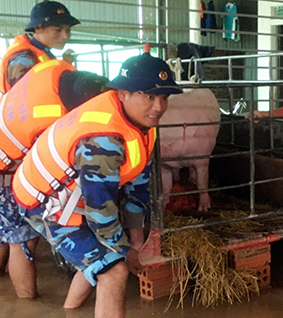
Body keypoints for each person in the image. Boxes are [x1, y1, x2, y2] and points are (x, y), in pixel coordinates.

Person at [12, 52, 181, 318]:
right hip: (45, 202)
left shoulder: (142, 124)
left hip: (70, 195)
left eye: (164, 97)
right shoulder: (103, 140)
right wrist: (126, 251)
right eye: (149, 96)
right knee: (114, 270)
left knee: (98, 258)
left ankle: (70, 311)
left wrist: (138, 242)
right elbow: (100, 213)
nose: (158, 107)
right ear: (123, 93)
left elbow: (138, 186)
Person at [0, 59, 107, 298]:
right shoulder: (48, 119)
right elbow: (47, 164)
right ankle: (26, 304)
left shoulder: (56, 70)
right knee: (21, 238)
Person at [0, 0, 80, 110]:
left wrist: (65, 64)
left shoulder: (42, 52)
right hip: (6, 126)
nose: (65, 36)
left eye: (68, 30)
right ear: (38, 28)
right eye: (58, 30)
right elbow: (27, 101)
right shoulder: (23, 58)